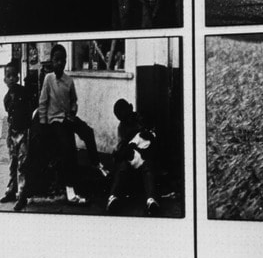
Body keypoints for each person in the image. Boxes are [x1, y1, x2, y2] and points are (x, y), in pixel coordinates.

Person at [38, 44, 105, 206]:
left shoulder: (69, 81)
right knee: (68, 149)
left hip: (68, 118)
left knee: (87, 131)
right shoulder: (48, 79)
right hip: (55, 121)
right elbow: (43, 103)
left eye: (63, 60)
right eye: (57, 60)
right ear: (52, 61)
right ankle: (70, 191)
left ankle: (96, 163)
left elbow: (74, 101)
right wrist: (43, 125)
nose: (60, 63)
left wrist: (73, 112)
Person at [105, 99, 160, 216]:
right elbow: (120, 147)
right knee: (122, 167)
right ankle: (112, 197)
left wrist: (148, 146)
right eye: (122, 119)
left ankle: (151, 200)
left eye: (127, 116)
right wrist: (124, 150)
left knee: (148, 167)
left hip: (146, 155)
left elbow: (154, 138)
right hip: (131, 157)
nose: (127, 120)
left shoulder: (142, 119)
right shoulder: (122, 127)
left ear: (131, 108)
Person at [3, 62, 35, 211]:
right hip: (13, 132)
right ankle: (11, 191)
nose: (11, 78)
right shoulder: (6, 98)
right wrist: (8, 135)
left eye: (13, 75)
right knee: (13, 163)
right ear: (4, 79)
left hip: (24, 132)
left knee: (22, 164)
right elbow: (9, 116)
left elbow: (30, 110)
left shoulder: (24, 92)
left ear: (18, 77)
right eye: (8, 76)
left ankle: (22, 196)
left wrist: (29, 129)